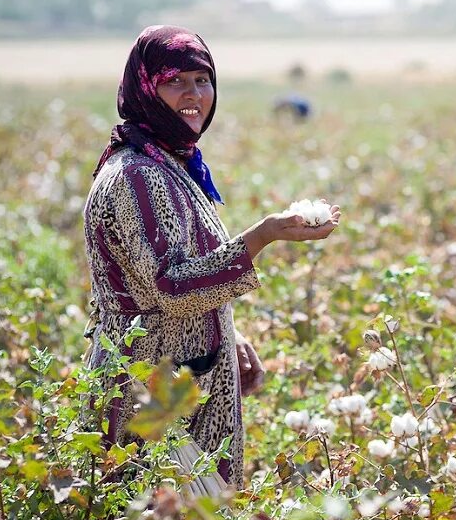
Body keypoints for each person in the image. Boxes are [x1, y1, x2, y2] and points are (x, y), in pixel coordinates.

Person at [83, 25, 340, 488]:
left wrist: (229, 335)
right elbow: (169, 287)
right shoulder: (135, 176)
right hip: (150, 396)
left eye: (202, 80)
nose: (193, 94)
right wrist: (262, 236)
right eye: (175, 81)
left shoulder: (170, 163)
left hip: (185, 386)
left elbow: (185, 272)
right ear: (145, 88)